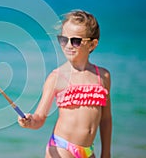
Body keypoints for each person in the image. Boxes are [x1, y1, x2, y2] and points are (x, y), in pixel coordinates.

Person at [18, 10, 112, 158]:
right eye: (63, 39)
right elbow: (40, 118)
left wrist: (106, 153)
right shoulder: (56, 77)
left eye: (75, 41)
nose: (68, 45)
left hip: (88, 152)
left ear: (92, 44)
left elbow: (106, 119)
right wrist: (29, 121)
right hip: (61, 148)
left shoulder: (103, 76)